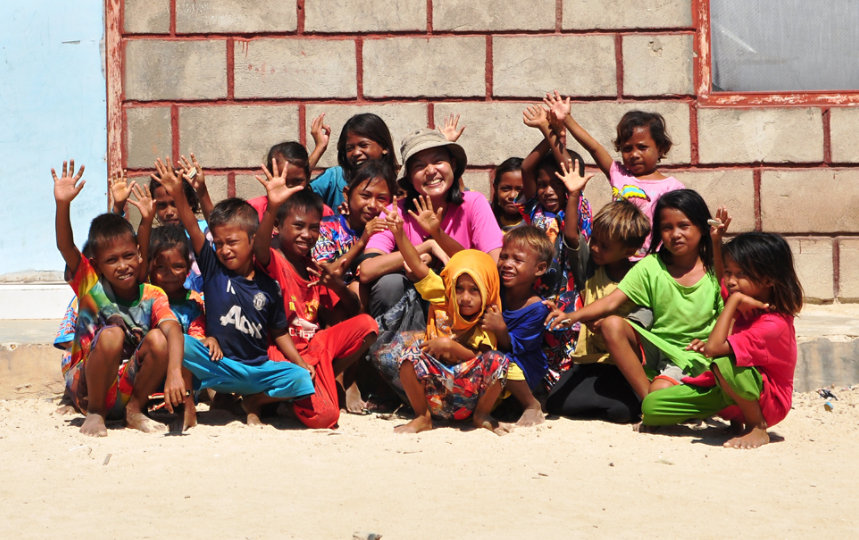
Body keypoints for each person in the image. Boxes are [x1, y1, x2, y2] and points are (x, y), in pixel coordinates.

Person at [153, 158, 317, 426]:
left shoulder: (269, 285)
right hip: (219, 366)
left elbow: (280, 333)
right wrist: (180, 193)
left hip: (257, 370)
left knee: (301, 379)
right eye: (218, 244)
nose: (224, 249)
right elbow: (193, 226)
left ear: (253, 241)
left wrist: (299, 362)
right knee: (180, 342)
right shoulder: (214, 270)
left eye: (231, 242)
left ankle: (255, 401)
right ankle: (189, 403)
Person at [546, 189, 722, 400]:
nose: (675, 234)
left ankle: (660, 399)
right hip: (653, 349)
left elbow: (728, 313)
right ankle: (647, 402)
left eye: (684, 226)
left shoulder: (717, 269)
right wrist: (571, 317)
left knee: (656, 394)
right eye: (667, 227)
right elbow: (612, 301)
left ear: (702, 227)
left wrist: (712, 344)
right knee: (611, 325)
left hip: (692, 354)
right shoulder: (651, 266)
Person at [52, 160, 186, 437]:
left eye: (128, 256)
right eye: (111, 261)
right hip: (88, 389)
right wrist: (63, 205)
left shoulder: (152, 294)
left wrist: (174, 371)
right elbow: (66, 247)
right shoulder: (90, 285)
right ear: (97, 265)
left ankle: (134, 411)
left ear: (139, 256)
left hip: (126, 387)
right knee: (111, 334)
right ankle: (96, 415)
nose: (122, 265)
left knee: (159, 339)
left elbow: (173, 329)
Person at [642, 232, 803, 449]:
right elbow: (721, 280)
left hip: (767, 402)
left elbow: (714, 349)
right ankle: (735, 420)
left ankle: (756, 427)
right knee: (651, 407)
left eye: (740, 274)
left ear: (767, 280)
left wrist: (734, 302)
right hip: (727, 389)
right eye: (730, 273)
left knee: (726, 362)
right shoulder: (748, 301)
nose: (731, 282)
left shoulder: (772, 325)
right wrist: (717, 242)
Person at [254, 163, 379, 424]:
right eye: (298, 226)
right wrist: (273, 207)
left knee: (367, 326)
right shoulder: (275, 261)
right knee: (327, 416)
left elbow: (351, 309)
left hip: (315, 348)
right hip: (282, 352)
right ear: (278, 226)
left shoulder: (315, 268)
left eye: (314, 228)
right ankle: (261, 399)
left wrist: (337, 285)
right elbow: (260, 249)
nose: (307, 235)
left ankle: (304, 390)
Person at [373, 200, 509, 434]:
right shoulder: (443, 298)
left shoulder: (488, 316)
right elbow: (417, 266)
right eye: (459, 288)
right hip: (434, 392)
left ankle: (482, 415)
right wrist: (399, 233)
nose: (465, 297)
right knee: (408, 355)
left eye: (474, 290)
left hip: (469, 396)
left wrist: (450, 347)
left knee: (499, 361)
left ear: (486, 291)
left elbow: (482, 357)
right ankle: (422, 417)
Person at [359, 128, 504, 318]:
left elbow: (492, 267)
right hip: (410, 311)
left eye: (438, 161)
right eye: (419, 166)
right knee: (390, 283)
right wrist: (426, 247)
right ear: (410, 177)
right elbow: (367, 270)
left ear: (452, 164)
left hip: (465, 311)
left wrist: (439, 235)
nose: (430, 171)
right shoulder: (396, 211)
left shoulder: (474, 203)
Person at [545, 199, 652, 423]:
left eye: (605, 246)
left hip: (621, 365)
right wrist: (573, 195)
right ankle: (612, 402)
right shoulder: (591, 267)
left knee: (621, 412)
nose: (594, 248)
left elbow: (641, 324)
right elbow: (572, 236)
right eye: (594, 240)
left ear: (629, 251)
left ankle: (627, 401)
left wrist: (606, 323)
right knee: (555, 402)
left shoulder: (640, 277)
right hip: (590, 361)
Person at [544, 91, 684, 256]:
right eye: (627, 149)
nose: (634, 154)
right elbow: (594, 147)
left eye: (642, 147)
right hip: (614, 259)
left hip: (651, 261)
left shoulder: (672, 187)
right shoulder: (619, 174)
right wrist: (567, 119)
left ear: (661, 148)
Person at [146, 225, 222, 430]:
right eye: (161, 267)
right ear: (149, 267)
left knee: (185, 344)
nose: (170, 274)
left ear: (189, 268)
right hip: (151, 378)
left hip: (183, 381)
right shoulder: (146, 298)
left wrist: (207, 341)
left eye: (178, 266)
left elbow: (197, 336)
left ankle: (187, 408)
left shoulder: (193, 303)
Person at [489, 226, 554, 426]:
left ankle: (531, 404)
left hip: (524, 366)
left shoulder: (537, 309)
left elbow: (515, 347)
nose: (507, 264)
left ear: (540, 269)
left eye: (517, 260)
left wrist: (500, 329)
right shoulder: (496, 293)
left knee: (501, 360)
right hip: (497, 361)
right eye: (504, 257)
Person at [312, 159, 395, 307]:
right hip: (332, 305)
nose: (372, 205)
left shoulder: (387, 231)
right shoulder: (327, 227)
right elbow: (327, 275)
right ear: (347, 194)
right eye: (365, 196)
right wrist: (362, 241)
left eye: (381, 199)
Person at [310, 113, 399, 210]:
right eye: (349, 148)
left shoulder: (398, 183)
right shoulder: (335, 178)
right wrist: (319, 148)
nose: (356, 153)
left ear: (384, 147)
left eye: (364, 145)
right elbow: (297, 195)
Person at [247, 142, 335, 222]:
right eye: (283, 182)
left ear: (308, 178)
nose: (289, 189)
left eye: (297, 181)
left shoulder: (323, 212)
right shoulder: (252, 210)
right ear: (270, 177)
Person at [490, 157, 528, 232]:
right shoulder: (487, 217)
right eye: (506, 189)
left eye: (519, 190)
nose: (512, 196)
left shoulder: (535, 223)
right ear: (496, 188)